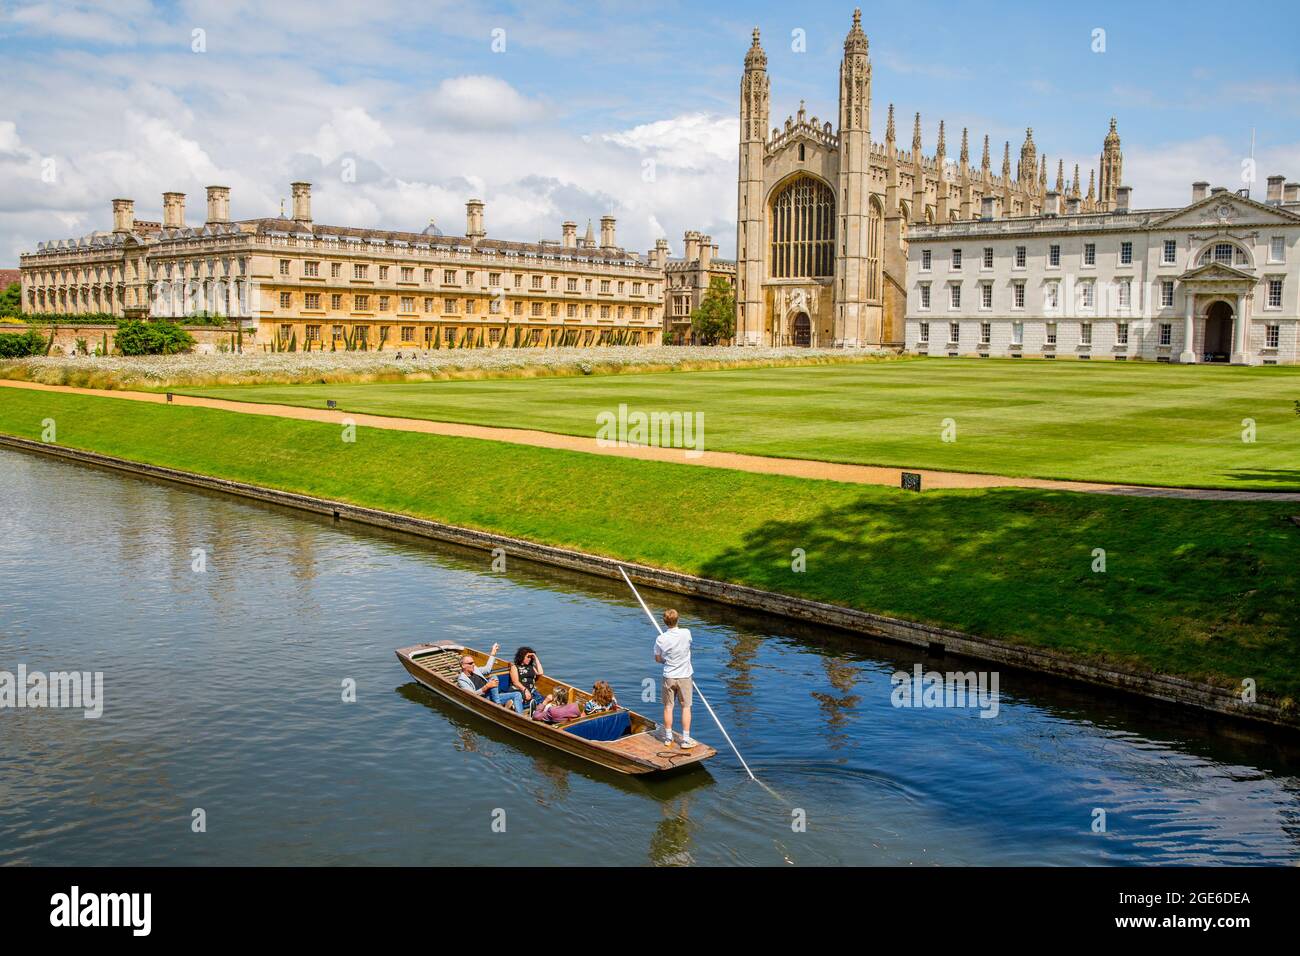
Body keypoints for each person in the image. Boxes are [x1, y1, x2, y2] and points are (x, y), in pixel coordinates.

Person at [654, 609, 695, 749]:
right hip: (685, 676)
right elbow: (688, 646)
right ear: (678, 619)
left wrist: (665, 660)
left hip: (669, 676)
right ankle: (685, 739)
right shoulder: (686, 633)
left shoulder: (661, 639)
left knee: (668, 707)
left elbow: (658, 658)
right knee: (686, 707)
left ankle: (668, 737)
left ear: (664, 622)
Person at [455, 643, 523, 713]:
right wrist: (487, 687)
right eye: (470, 663)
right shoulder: (462, 680)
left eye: (473, 662)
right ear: (463, 666)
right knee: (492, 679)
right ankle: (499, 705)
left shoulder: (475, 669)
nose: (473, 664)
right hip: (483, 700)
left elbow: (487, 669)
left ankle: (519, 716)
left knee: (517, 694)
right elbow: (472, 695)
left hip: (492, 696)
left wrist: (493, 653)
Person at [510, 646, 545, 711]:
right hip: (520, 689)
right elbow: (515, 682)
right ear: (521, 657)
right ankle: (514, 705)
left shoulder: (531, 667)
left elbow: (540, 673)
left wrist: (535, 658)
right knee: (528, 697)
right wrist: (525, 690)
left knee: (547, 698)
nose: (529, 659)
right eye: (528, 657)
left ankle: (531, 707)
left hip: (531, 690)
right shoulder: (515, 667)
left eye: (531, 657)